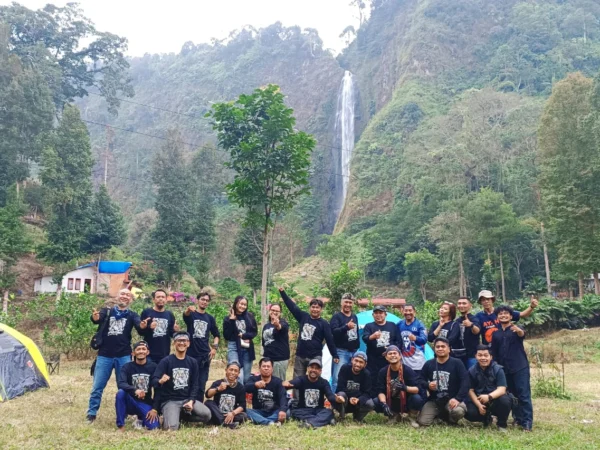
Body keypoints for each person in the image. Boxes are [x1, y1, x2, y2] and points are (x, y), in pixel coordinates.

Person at [87, 289, 144, 424]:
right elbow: (97, 319)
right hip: (104, 355)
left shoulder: (132, 315)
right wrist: (94, 318)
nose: (124, 297)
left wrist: (143, 326)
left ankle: (123, 412)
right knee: (97, 386)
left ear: (131, 299)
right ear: (117, 296)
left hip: (123, 356)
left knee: (124, 387)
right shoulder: (107, 311)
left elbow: (140, 327)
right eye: (122, 294)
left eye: (128, 295)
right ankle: (91, 413)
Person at [152, 331, 211, 430]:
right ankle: (172, 417)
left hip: (186, 400)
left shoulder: (192, 362)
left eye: (184, 341)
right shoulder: (166, 361)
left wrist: (191, 401)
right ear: (174, 343)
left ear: (188, 343)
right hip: (170, 400)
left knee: (207, 415)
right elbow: (153, 381)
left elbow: (195, 384)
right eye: (179, 340)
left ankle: (182, 417)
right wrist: (160, 381)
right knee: (172, 428)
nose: (182, 343)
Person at [279, 288, 339, 384]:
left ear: (321, 309)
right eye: (313, 307)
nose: (315, 309)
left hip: (315, 356)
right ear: (310, 308)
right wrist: (282, 293)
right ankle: (297, 399)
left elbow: (330, 340)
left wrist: (334, 354)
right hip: (300, 355)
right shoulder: (303, 317)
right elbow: (292, 306)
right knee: (297, 381)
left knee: (314, 380)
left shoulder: (324, 324)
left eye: (317, 307)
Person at [490, 305, 533, 432]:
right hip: (504, 369)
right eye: (500, 314)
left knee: (524, 395)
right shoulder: (496, 333)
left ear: (510, 316)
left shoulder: (516, 328)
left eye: (506, 313)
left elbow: (522, 334)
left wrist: (519, 331)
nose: (503, 315)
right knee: (512, 396)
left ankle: (527, 422)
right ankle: (517, 418)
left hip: (520, 367)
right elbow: (494, 352)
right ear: (497, 317)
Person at [418, 337, 469, 427]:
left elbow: (465, 382)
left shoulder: (457, 363)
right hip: (435, 400)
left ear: (449, 349)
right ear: (434, 349)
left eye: (443, 346)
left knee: (458, 411)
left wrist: (457, 398)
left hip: (452, 399)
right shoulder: (429, 364)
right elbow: (420, 380)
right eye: (437, 347)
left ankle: (451, 420)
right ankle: (439, 416)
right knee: (423, 422)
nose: (440, 349)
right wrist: (428, 385)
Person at [283, 359, 343, 429]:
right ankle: (324, 421)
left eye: (316, 368)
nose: (313, 370)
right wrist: (285, 385)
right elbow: (290, 384)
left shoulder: (324, 382)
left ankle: (309, 423)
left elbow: (330, 396)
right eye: (312, 367)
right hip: (303, 410)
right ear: (308, 369)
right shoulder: (301, 380)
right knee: (294, 412)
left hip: (318, 410)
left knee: (328, 412)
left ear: (320, 371)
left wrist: (337, 399)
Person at [465, 345, 512, 432]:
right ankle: (486, 418)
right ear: (475, 356)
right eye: (480, 355)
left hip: (495, 399)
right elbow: (470, 390)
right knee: (469, 413)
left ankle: (501, 424)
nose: (483, 358)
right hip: (480, 400)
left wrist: (489, 397)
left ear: (491, 357)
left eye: (486, 355)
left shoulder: (498, 369)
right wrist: (478, 405)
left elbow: (502, 389)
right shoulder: (471, 371)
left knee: (505, 400)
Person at [374, 345, 424, 428]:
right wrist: (384, 404)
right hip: (392, 399)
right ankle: (394, 415)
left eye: (395, 353)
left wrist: (405, 388)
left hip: (406, 400)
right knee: (376, 401)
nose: (393, 355)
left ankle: (411, 417)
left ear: (400, 356)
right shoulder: (383, 371)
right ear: (386, 357)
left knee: (417, 398)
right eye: (390, 354)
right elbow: (380, 391)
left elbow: (417, 389)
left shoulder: (407, 370)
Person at [183, 291, 220, 401]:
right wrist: (188, 310)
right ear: (198, 300)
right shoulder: (192, 314)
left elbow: (216, 335)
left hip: (205, 355)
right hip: (191, 354)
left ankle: (198, 406)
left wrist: (214, 348)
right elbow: (186, 316)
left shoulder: (210, 318)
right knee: (188, 380)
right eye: (203, 299)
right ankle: (187, 405)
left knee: (201, 382)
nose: (204, 302)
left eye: (207, 300)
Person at [115, 341, 159, 431]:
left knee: (154, 427)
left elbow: (158, 388)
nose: (141, 351)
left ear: (147, 352)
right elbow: (121, 383)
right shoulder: (127, 367)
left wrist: (155, 409)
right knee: (120, 393)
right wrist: (135, 390)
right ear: (133, 353)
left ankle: (140, 419)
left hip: (145, 402)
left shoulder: (153, 367)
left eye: (143, 349)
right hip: (130, 401)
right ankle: (121, 425)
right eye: (138, 349)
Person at [223, 295, 257, 383]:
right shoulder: (228, 318)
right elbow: (226, 336)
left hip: (247, 348)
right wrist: (232, 321)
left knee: (246, 377)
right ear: (236, 303)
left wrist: (245, 336)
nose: (243, 306)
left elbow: (254, 332)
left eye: (245, 305)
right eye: (241, 304)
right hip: (234, 347)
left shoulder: (250, 316)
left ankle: (243, 395)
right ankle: (238, 396)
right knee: (238, 376)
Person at [330, 293, 360, 393]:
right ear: (341, 303)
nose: (348, 304)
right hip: (341, 351)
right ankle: (334, 401)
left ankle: (347, 399)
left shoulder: (355, 317)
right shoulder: (336, 317)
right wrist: (346, 327)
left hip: (354, 352)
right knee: (337, 378)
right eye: (346, 302)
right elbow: (334, 332)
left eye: (350, 302)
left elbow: (356, 333)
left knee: (351, 378)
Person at [244, 357, 288, 426]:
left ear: (272, 369)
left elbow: (283, 397)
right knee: (245, 410)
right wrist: (255, 385)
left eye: (268, 366)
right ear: (259, 368)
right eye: (264, 366)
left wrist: (282, 410)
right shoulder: (253, 379)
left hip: (274, 411)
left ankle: (261, 420)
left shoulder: (278, 382)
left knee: (287, 411)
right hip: (258, 411)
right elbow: (245, 388)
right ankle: (269, 422)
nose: (266, 368)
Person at [362, 305, 400, 382]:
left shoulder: (392, 325)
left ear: (385, 314)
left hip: (389, 360)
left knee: (389, 378)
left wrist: (391, 351)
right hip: (373, 360)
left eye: (380, 313)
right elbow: (365, 338)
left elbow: (398, 342)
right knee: (373, 379)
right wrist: (373, 336)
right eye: (376, 313)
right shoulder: (369, 326)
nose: (378, 315)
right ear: (373, 315)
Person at [334, 351, 374, 423]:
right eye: (356, 360)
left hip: (357, 402)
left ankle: (358, 418)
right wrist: (351, 396)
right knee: (341, 394)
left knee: (370, 403)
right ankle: (341, 417)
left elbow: (367, 393)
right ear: (352, 360)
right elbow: (340, 388)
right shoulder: (345, 369)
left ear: (365, 364)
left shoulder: (366, 374)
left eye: (361, 362)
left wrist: (358, 399)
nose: (358, 364)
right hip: (345, 400)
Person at [205, 362, 248, 428]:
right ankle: (225, 423)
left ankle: (220, 422)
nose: (233, 373)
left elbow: (242, 405)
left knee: (244, 416)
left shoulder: (240, 387)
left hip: (230, 414)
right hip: (217, 412)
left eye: (236, 371)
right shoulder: (218, 382)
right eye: (231, 370)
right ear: (226, 370)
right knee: (208, 403)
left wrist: (233, 413)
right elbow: (207, 395)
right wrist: (218, 389)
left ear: (238, 374)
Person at [140, 289, 177, 363]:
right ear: (154, 299)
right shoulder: (146, 312)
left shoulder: (169, 314)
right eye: (158, 297)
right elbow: (141, 332)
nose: (161, 299)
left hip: (164, 354)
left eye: (163, 297)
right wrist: (149, 327)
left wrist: (176, 331)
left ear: (166, 299)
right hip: (148, 354)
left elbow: (171, 334)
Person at [261, 303, 290, 381]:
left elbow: (281, 328)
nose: (274, 312)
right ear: (269, 311)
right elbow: (264, 343)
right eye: (273, 310)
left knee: (279, 383)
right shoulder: (266, 326)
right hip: (268, 359)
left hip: (279, 359)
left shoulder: (283, 323)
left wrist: (277, 325)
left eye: (277, 311)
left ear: (280, 313)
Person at [397, 304, 428, 376]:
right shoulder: (400, 324)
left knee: (417, 383)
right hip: (404, 361)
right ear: (402, 312)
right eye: (406, 310)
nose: (408, 312)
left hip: (417, 361)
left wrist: (415, 338)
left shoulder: (419, 324)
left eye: (410, 310)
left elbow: (424, 339)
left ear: (414, 312)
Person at [455, 297, 481, 369]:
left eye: (464, 303)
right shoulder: (457, 320)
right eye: (459, 303)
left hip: (471, 356)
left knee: (472, 377)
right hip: (459, 356)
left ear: (470, 305)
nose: (461, 305)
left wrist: (471, 325)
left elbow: (477, 331)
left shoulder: (474, 318)